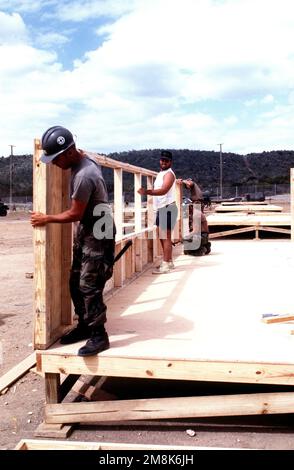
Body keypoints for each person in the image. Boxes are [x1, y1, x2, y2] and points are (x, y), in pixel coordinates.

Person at [30, 126, 115, 356]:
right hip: (91, 222)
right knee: (75, 279)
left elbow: (74, 214)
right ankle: (85, 326)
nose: (54, 164)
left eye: (56, 159)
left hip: (99, 224)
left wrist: (46, 218)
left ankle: (99, 336)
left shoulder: (84, 176)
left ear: (69, 152)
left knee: (89, 282)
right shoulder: (82, 159)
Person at [138, 150, 178, 274]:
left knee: (165, 237)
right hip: (162, 208)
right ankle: (169, 262)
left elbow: (164, 190)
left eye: (166, 160)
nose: (163, 162)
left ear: (170, 162)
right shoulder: (161, 173)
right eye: (162, 160)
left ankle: (165, 265)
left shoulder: (169, 174)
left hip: (167, 208)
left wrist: (146, 192)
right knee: (162, 236)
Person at [179, 178, 211, 256]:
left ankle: (201, 249)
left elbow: (195, 231)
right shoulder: (196, 209)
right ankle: (205, 244)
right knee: (187, 247)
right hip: (203, 235)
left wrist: (183, 238)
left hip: (202, 235)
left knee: (188, 242)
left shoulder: (196, 213)